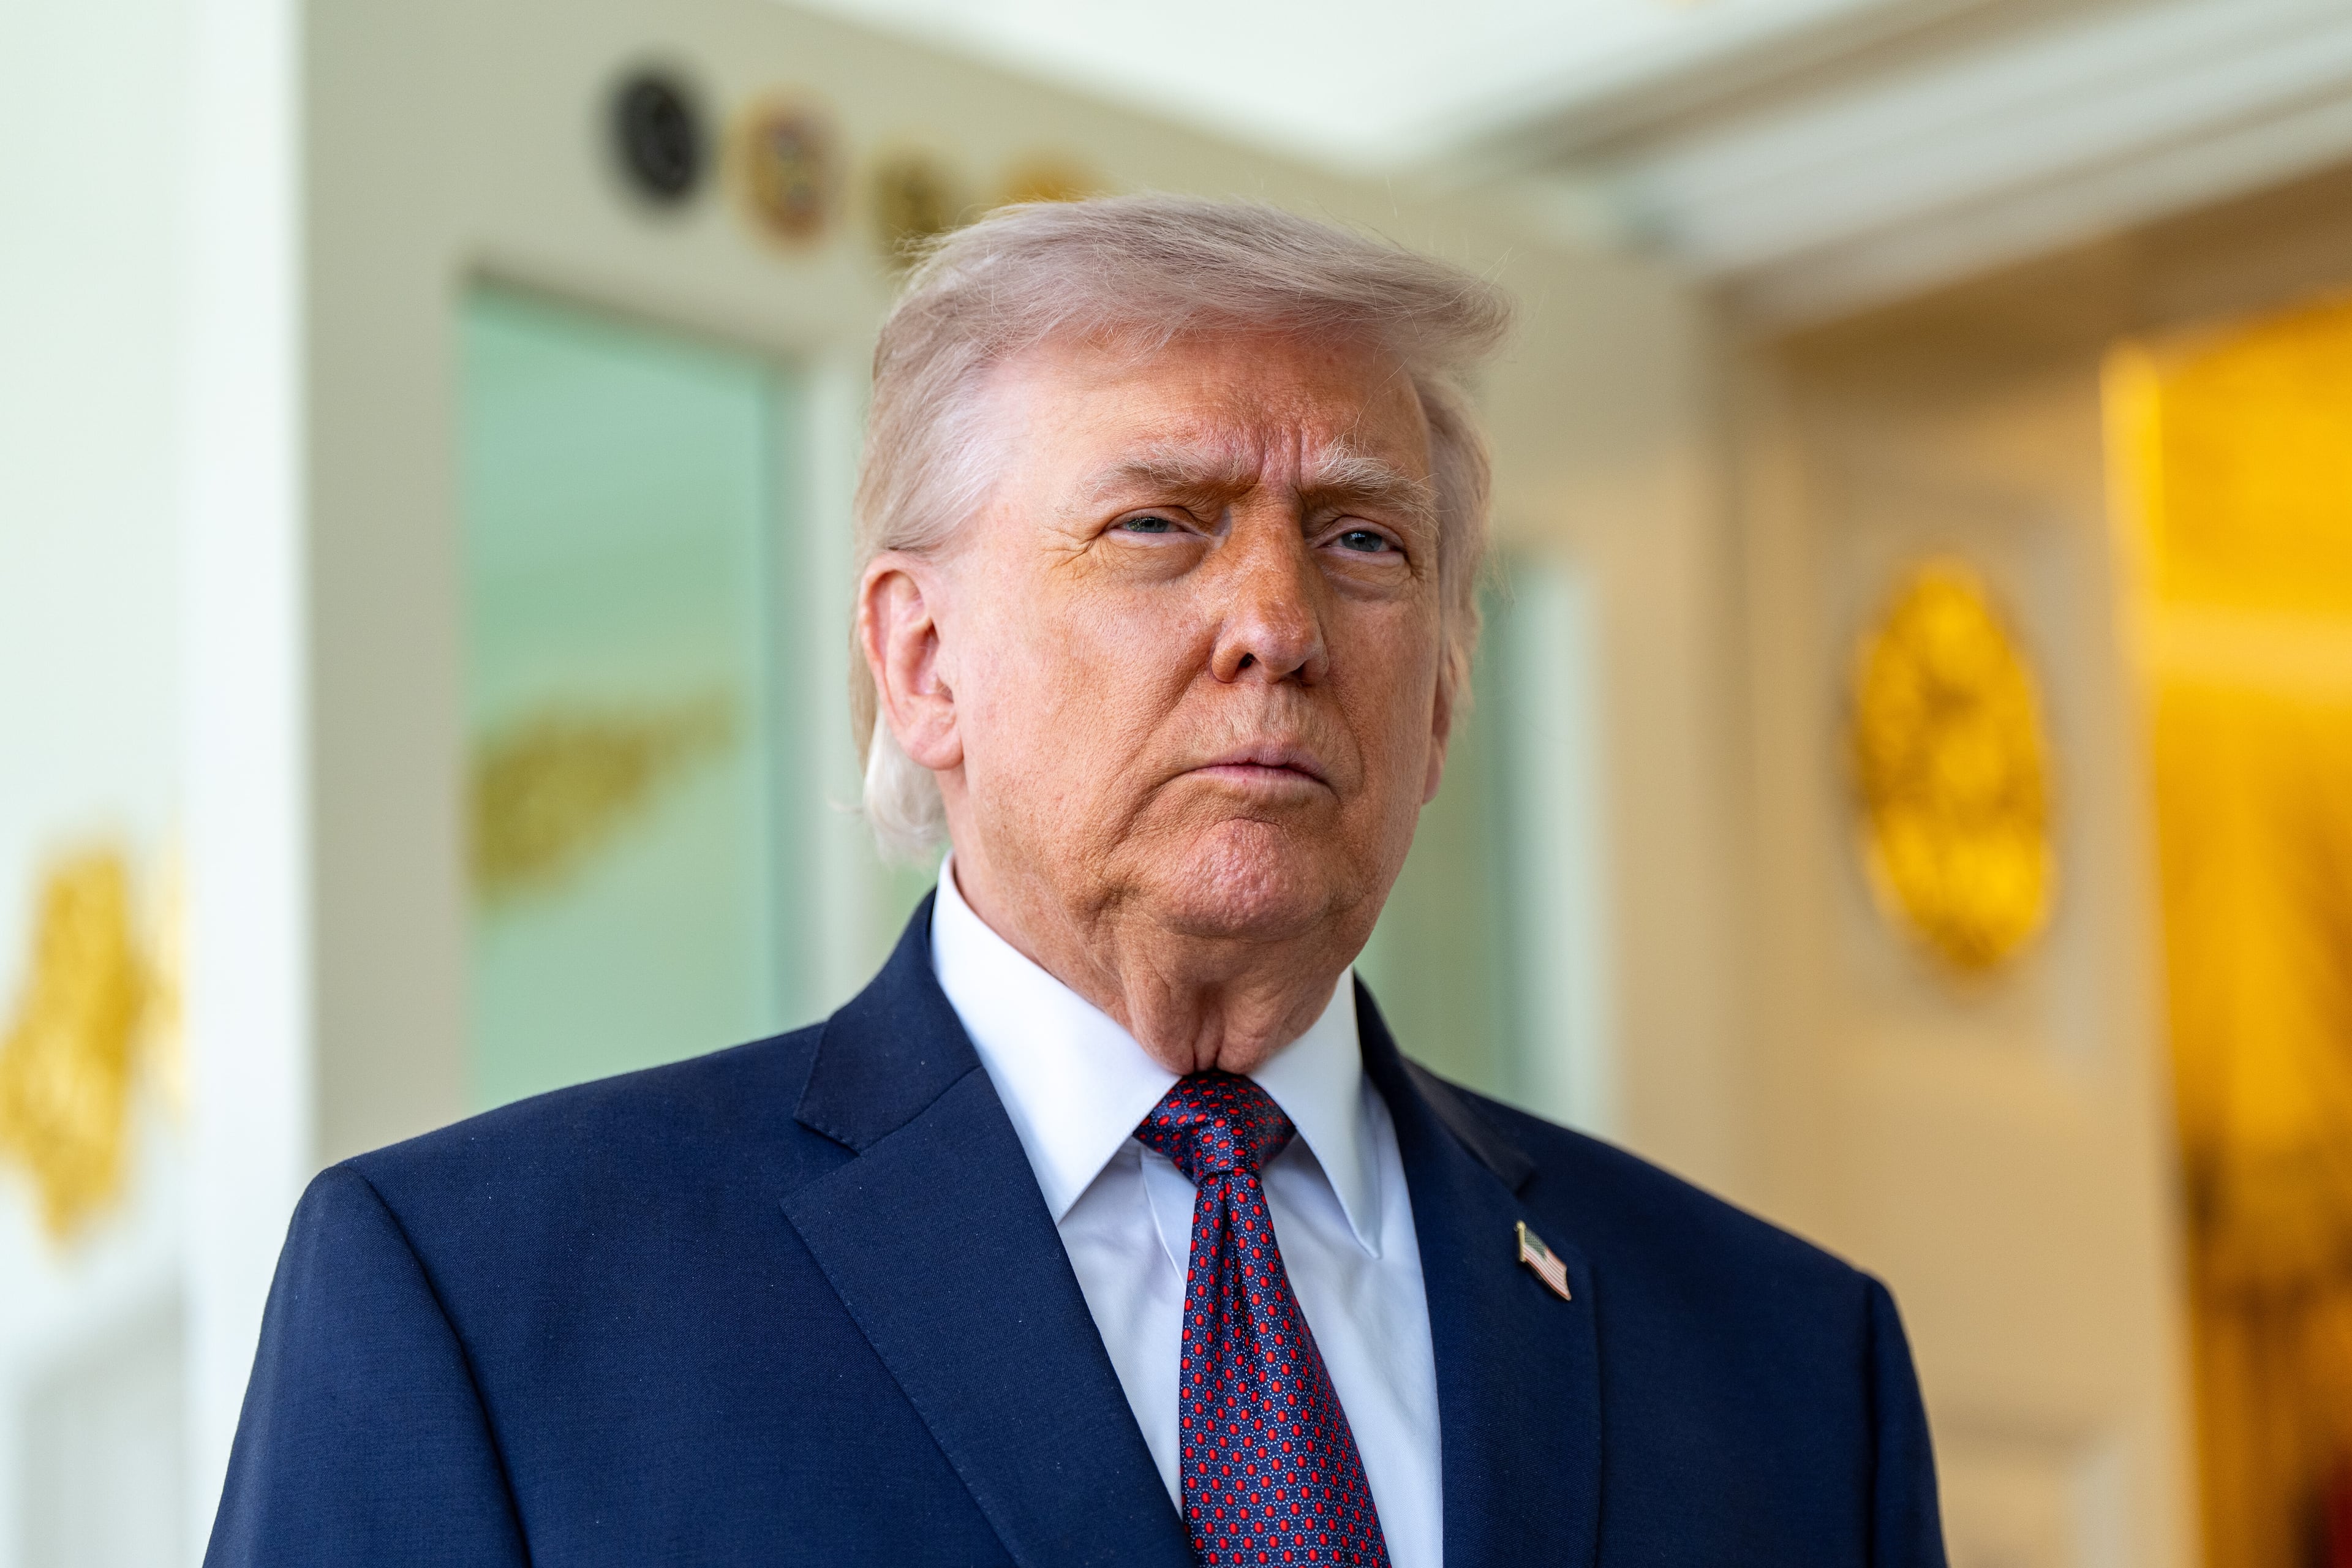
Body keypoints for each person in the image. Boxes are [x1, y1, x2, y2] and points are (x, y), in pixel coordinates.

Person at [206, 194, 1947, 1567]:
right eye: (1157, 526)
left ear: (1446, 691)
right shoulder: (484, 1303)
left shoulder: (1790, 1368)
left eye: (1362, 540)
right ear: (921, 660)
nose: (1274, 624)